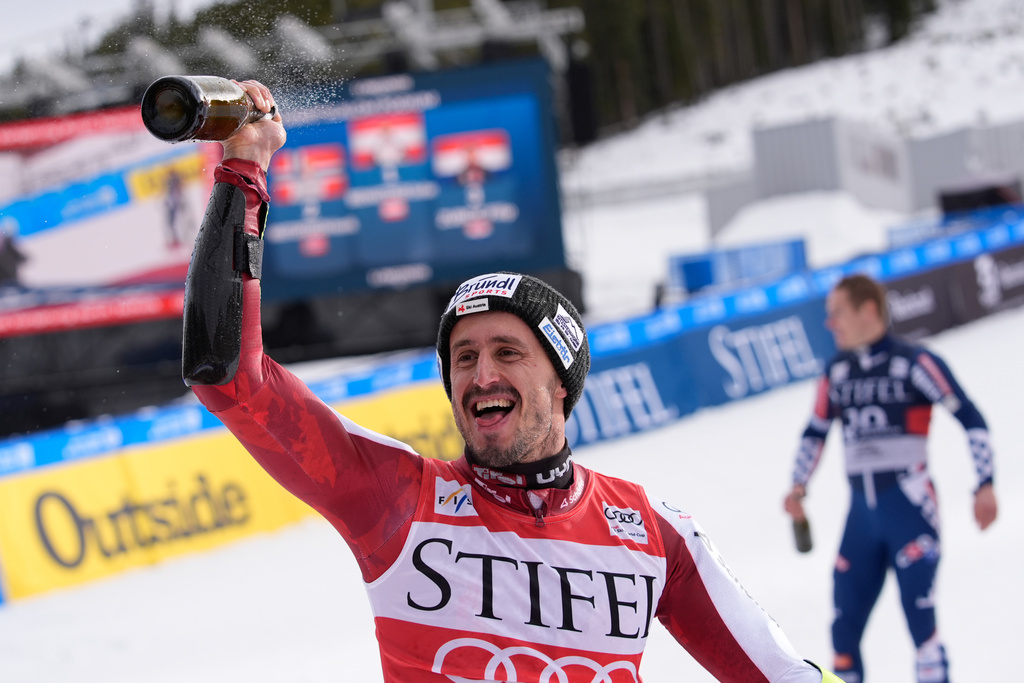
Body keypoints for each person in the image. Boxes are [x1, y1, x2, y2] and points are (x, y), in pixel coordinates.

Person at [183, 79, 842, 683]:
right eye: (463, 357)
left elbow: (785, 676)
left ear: (562, 381)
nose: (481, 373)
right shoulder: (397, 500)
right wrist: (244, 168)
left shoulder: (650, 533)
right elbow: (231, 379)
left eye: (506, 350)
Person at [783, 274, 998, 683]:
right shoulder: (838, 371)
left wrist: (985, 483)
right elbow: (815, 431)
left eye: (837, 313)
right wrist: (797, 486)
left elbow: (971, 419)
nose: (830, 324)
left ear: (868, 310)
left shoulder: (914, 362)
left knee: (921, 624)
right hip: (861, 520)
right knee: (843, 631)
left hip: (911, 512)